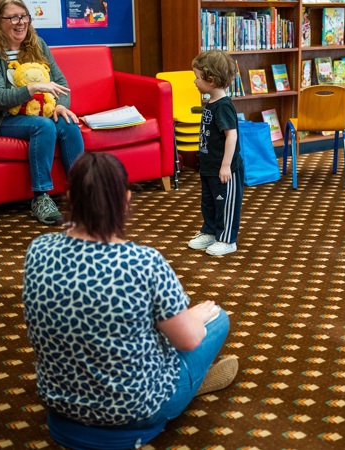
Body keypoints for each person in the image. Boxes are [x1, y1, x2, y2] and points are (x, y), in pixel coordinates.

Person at [22, 152, 237, 448]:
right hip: (138, 411)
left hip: (62, 408)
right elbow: (187, 340)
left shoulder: (38, 251)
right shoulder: (144, 262)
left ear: (71, 197)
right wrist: (195, 317)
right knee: (217, 318)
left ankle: (188, 381)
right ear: (124, 200)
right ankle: (188, 386)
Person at [0, 0, 84, 225]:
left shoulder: (37, 44)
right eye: (13, 17)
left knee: (68, 122)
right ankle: (41, 198)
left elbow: (60, 81)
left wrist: (61, 105)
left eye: (24, 16)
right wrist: (33, 88)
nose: (20, 22)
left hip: (41, 111)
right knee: (43, 126)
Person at [187, 50, 244, 256]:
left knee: (225, 204)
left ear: (210, 79)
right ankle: (210, 231)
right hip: (209, 166)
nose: (194, 81)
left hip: (225, 169)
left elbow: (232, 136)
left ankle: (227, 239)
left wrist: (226, 165)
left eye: (197, 77)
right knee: (209, 201)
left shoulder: (224, 107)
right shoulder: (210, 102)